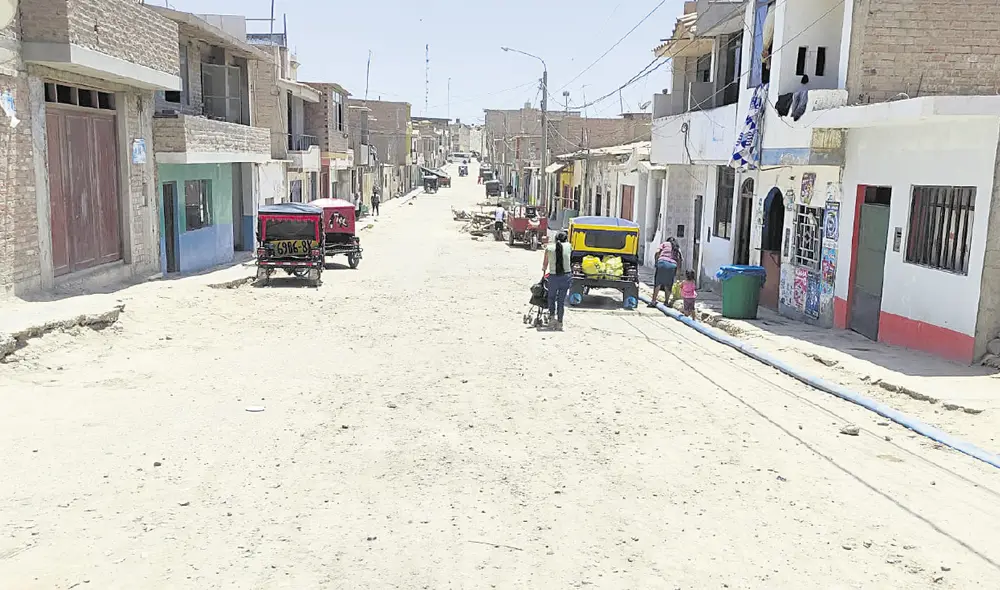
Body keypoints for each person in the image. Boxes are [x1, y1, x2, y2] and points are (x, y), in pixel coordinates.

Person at [542, 231, 572, 330]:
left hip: (553, 277)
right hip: (566, 277)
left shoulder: (549, 248)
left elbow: (544, 265)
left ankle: (551, 318)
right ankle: (560, 322)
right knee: (561, 301)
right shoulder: (569, 246)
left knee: (551, 298)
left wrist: (544, 271)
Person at [649, 238, 679, 308]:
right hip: (672, 265)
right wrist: (678, 272)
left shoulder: (664, 244)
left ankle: (653, 301)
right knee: (668, 284)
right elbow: (679, 260)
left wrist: (656, 261)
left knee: (658, 282)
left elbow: (657, 252)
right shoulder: (677, 247)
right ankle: (666, 302)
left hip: (662, 262)